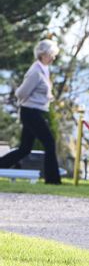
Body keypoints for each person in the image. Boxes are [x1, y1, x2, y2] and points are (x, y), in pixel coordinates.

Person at [0, 39, 62, 184]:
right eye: (52, 54)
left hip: (35, 112)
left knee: (25, 149)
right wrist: (31, 101)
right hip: (30, 112)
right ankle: (53, 180)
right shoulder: (35, 71)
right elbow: (21, 93)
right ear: (44, 54)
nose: (53, 57)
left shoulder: (43, 69)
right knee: (49, 142)